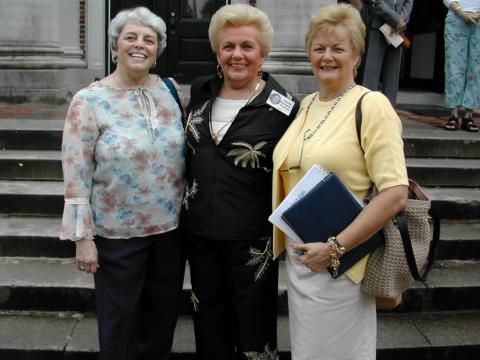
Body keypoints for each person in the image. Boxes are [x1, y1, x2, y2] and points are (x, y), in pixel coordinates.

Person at [272, 4, 408, 359]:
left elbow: (395, 192)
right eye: (319, 48)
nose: (327, 57)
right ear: (309, 53)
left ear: (357, 55)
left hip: (342, 264)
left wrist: (335, 248)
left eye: (338, 48)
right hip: (303, 261)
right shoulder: (306, 104)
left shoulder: (372, 104)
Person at [59, 7, 186, 360]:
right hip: (117, 236)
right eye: (131, 37)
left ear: (158, 49)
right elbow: (76, 172)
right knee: (119, 330)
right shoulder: (89, 100)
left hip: (169, 234)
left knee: (160, 326)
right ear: (115, 47)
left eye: (149, 40)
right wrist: (83, 239)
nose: (140, 45)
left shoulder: (169, 90)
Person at [182, 4, 299, 359]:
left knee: (254, 329)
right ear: (217, 52)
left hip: (253, 241)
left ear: (262, 53)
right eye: (228, 46)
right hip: (200, 233)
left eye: (247, 46)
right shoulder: (202, 90)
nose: (237, 55)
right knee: (207, 324)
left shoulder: (284, 107)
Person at [361, 0, 414, 106]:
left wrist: (400, 20)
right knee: (370, 78)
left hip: (397, 30)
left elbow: (409, 2)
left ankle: (389, 117)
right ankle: (365, 115)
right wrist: (395, 19)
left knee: (392, 81)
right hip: (377, 26)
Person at [442, 0, 479, 132]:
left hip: (479, 20)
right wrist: (461, 12)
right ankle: (454, 114)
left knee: (476, 69)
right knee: (454, 67)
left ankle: (469, 115)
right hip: (456, 18)